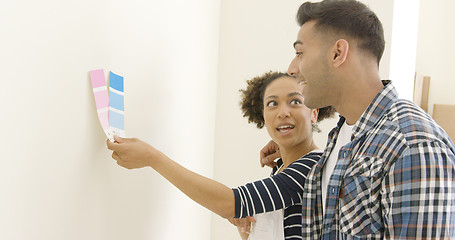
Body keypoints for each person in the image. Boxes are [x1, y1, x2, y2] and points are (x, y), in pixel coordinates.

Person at [259, 0, 455, 239]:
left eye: (300, 53)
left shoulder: (412, 145)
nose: (292, 68)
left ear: (338, 53)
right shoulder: (341, 138)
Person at [107, 71, 335, 240]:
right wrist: (246, 230)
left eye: (295, 101)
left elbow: (232, 202)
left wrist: (152, 158)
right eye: (272, 103)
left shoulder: (312, 166)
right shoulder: (281, 169)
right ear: (263, 115)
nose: (283, 112)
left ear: (314, 112)